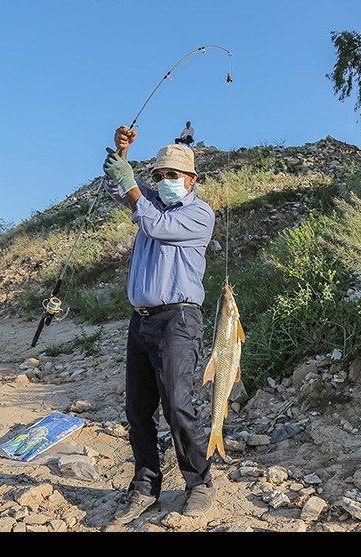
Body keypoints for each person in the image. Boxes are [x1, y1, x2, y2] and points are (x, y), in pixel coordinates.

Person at [102, 125, 216, 524]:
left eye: (173, 175)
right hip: (142, 320)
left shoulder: (199, 214)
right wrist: (121, 156)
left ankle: (199, 483)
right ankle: (145, 485)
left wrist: (131, 185)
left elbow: (151, 221)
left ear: (191, 180)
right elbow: (119, 187)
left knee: (177, 405)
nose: (165, 181)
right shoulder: (149, 202)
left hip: (179, 320)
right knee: (138, 409)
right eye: (160, 176)